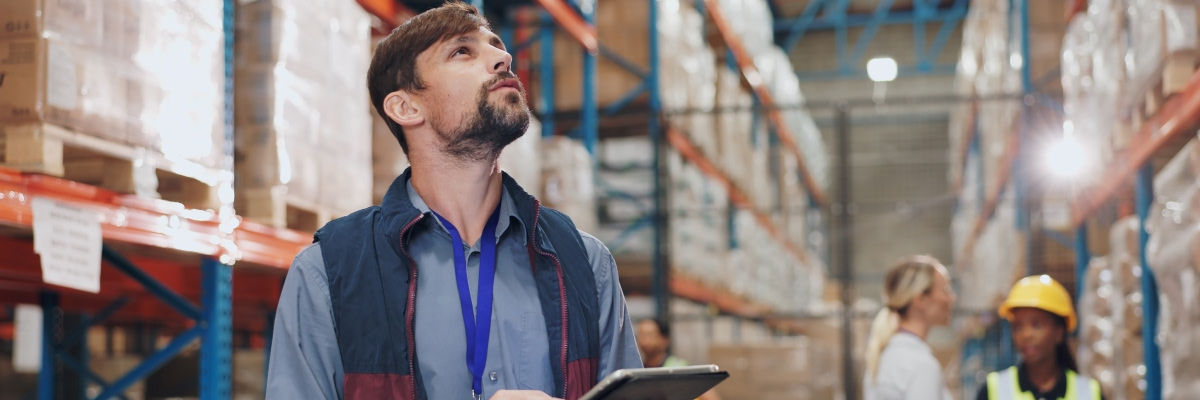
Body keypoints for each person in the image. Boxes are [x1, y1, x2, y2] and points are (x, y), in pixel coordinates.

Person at [264, 3, 642, 399]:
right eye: (462, 51)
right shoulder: (330, 271)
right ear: (406, 107)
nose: (503, 57)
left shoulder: (585, 262)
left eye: (497, 45)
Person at [976, 275, 1103, 400]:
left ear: (1059, 332)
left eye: (1036, 325)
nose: (1026, 335)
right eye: (1018, 327)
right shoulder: (993, 390)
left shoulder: (1089, 393)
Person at [863, 255, 957, 400]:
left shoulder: (882, 356)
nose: (952, 298)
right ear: (920, 299)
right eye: (945, 289)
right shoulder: (920, 366)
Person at [634, 319, 721, 400]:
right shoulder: (636, 372)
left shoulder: (680, 368)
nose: (644, 341)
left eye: (650, 335)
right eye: (640, 335)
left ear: (664, 340)